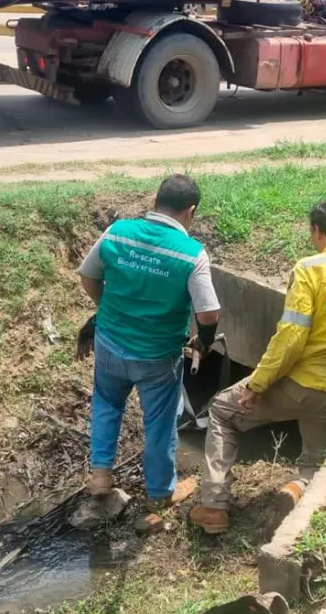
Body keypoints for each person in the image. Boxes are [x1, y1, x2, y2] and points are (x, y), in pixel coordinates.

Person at [189, 198, 326, 534]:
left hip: (300, 386)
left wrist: (256, 384)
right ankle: (298, 487)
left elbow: (290, 338)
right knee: (316, 459)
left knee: (221, 412)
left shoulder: (310, 269)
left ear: (317, 231)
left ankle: (214, 505)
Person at [76, 174, 221, 533]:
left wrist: (106, 312)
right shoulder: (191, 254)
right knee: (159, 422)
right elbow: (209, 314)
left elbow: (88, 276)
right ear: (191, 211)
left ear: (156, 200)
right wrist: (202, 340)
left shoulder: (118, 232)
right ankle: (159, 493)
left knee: (107, 403)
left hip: (110, 343)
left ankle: (100, 476)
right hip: (157, 355)